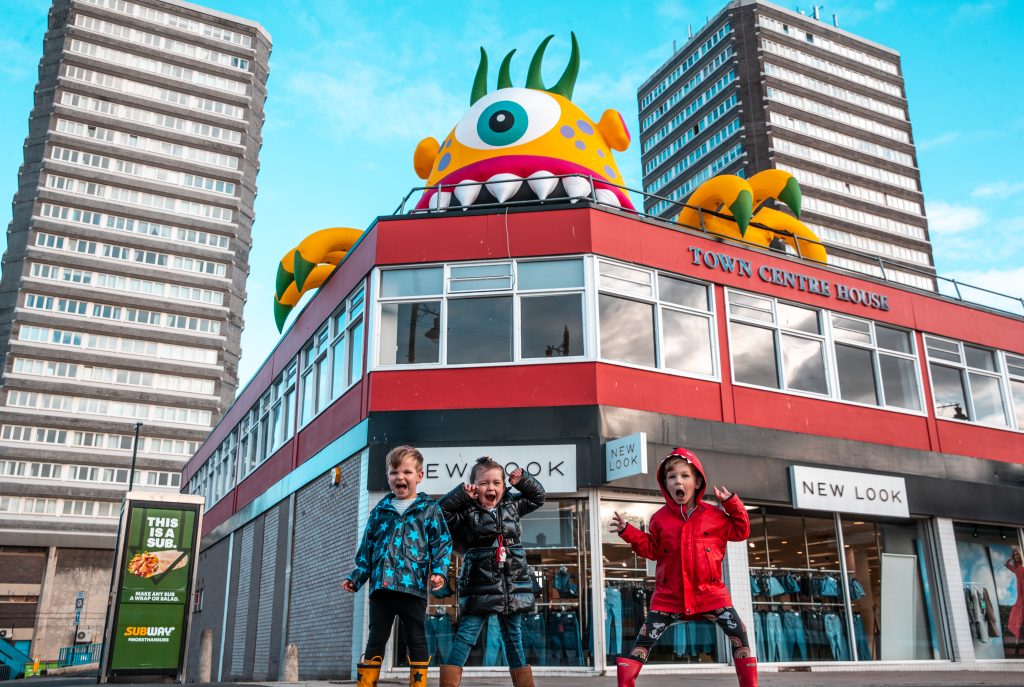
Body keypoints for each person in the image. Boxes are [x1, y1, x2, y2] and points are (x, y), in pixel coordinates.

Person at [610, 447, 755, 687]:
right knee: (642, 643)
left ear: (697, 482)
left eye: (685, 476)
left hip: (711, 595)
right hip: (669, 597)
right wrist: (629, 531)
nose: (678, 481)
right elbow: (652, 550)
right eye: (672, 477)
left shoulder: (716, 516)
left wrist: (731, 504)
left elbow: (742, 531)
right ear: (665, 484)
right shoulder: (658, 519)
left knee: (739, 635)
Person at [343, 445, 453, 687]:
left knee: (416, 637)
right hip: (381, 589)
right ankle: (367, 683)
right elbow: (367, 550)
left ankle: (418, 683)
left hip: (412, 588)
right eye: (394, 472)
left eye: (407, 472)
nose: (400, 477)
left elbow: (442, 544)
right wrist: (357, 577)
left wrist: (439, 573)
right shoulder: (379, 511)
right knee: (375, 638)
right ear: (388, 476)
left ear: (419, 476)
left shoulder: (429, 510)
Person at [437, 457, 545, 687]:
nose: (491, 487)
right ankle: (448, 684)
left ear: (504, 486)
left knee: (513, 637)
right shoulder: (466, 512)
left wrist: (523, 481)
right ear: (473, 487)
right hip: (480, 583)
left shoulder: (512, 505)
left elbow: (538, 497)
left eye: (497, 482)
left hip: (512, 584)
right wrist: (460, 495)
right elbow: (441, 513)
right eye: (484, 483)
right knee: (467, 634)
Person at [1007, 547, 1024, 657]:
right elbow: (1006, 564)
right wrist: (1010, 558)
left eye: (1017, 555)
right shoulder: (1016, 569)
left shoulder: (1022, 569)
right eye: (1015, 556)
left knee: (1021, 618)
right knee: (1018, 618)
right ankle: (1017, 645)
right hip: (1020, 597)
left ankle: (1018, 645)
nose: (1016, 557)